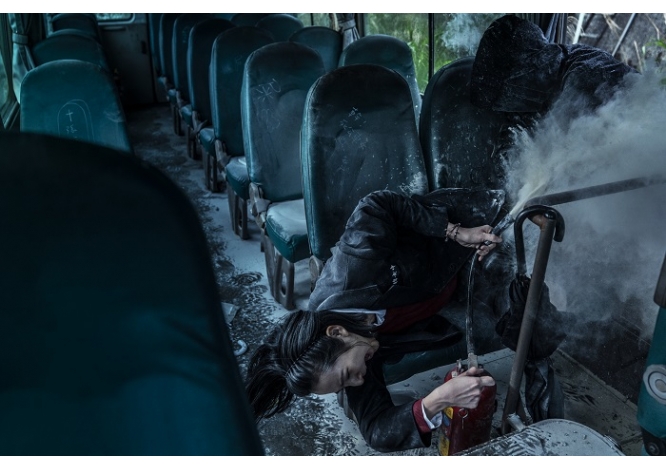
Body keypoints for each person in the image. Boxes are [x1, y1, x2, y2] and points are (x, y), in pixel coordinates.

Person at [245, 188, 507, 452]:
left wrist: (454, 231)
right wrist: (437, 400)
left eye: (347, 376)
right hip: (453, 294)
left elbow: (379, 204)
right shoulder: (350, 355)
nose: (358, 382)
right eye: (344, 385)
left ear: (336, 332)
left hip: (459, 237)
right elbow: (377, 432)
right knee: (514, 321)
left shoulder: (352, 270)